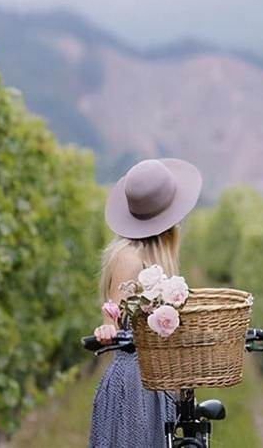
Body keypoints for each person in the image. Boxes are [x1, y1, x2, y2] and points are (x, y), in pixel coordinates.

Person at [88, 157, 203, 448]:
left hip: (155, 380)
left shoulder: (156, 259)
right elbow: (111, 317)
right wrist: (106, 329)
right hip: (136, 386)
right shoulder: (129, 257)